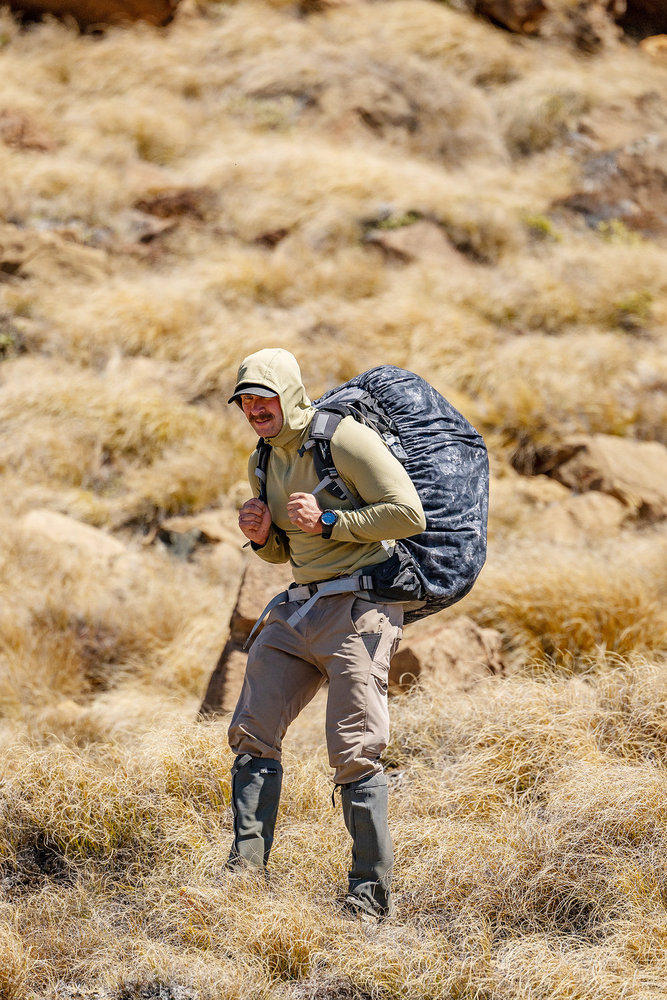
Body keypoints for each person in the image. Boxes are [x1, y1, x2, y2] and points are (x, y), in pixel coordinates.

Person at [226, 347, 426, 921]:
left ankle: (367, 899)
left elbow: (408, 514)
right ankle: (245, 876)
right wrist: (266, 537)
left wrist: (334, 519)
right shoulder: (261, 462)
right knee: (252, 731)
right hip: (301, 607)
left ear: (289, 394)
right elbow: (290, 552)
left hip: (360, 606)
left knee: (354, 751)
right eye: (245, 401)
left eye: (264, 398)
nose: (254, 409)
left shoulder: (344, 440)